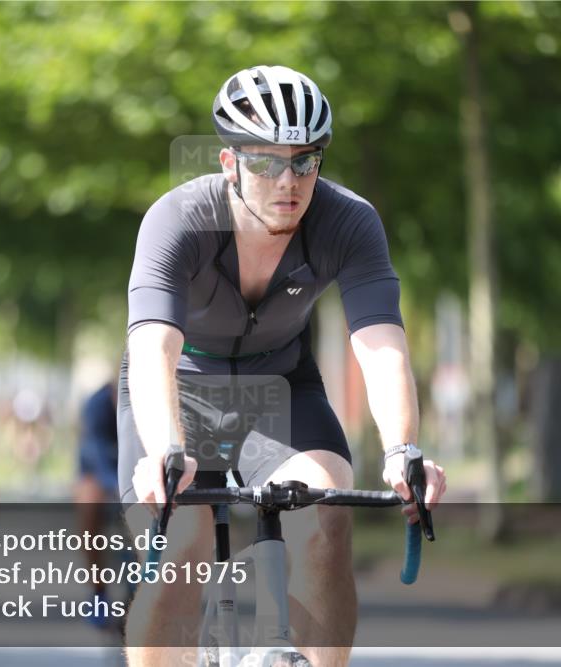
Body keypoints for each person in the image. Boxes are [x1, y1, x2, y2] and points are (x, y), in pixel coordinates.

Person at [117, 65, 446, 666]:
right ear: (228, 162)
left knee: (326, 514)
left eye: (305, 161)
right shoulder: (178, 219)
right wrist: (166, 448)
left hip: (282, 385)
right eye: (267, 162)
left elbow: (380, 345)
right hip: (180, 387)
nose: (288, 180)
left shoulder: (348, 220)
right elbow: (153, 348)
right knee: (182, 540)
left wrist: (403, 450)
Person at [74, 381, 121, 628]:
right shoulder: (97, 405)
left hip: (133, 469)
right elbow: (98, 456)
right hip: (96, 470)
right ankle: (98, 592)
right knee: (88, 504)